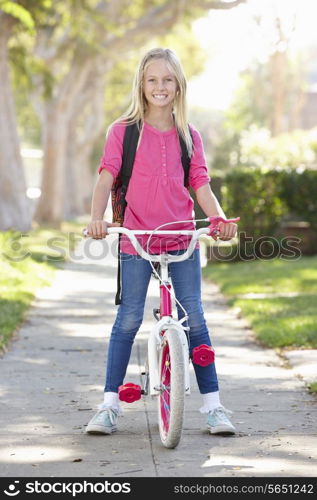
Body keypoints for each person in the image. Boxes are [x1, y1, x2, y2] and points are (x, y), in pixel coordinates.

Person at [85, 48, 238, 436]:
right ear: (141, 84)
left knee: (195, 320)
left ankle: (213, 407)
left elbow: (200, 183)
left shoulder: (190, 136)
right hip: (136, 238)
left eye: (168, 79)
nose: (160, 87)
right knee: (129, 320)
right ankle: (109, 405)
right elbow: (106, 176)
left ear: (179, 85)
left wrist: (217, 219)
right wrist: (97, 219)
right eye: (152, 79)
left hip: (181, 239)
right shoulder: (123, 131)